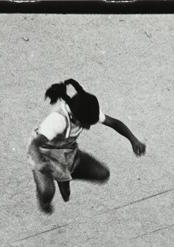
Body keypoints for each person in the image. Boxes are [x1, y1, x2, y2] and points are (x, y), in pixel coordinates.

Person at [27, 78, 146, 213]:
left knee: (102, 174)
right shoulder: (58, 120)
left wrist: (133, 140)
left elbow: (114, 123)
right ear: (76, 117)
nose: (89, 127)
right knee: (47, 193)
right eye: (86, 124)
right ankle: (44, 196)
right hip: (44, 155)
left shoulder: (86, 109)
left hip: (66, 152)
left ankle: (64, 176)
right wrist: (39, 163)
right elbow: (33, 145)